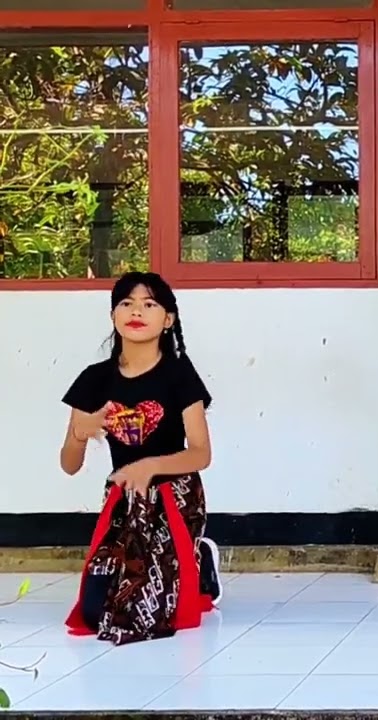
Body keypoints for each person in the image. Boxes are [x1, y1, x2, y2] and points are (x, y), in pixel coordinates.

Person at [60, 272, 223, 645]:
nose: (137, 311)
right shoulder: (94, 380)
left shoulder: (179, 374)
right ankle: (192, 560)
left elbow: (201, 453)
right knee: (94, 612)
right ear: (113, 315)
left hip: (174, 496)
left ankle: (197, 563)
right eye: (126, 303)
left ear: (168, 319)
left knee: (150, 611)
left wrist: (151, 466)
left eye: (149, 304)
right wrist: (80, 433)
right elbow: (69, 465)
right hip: (125, 500)